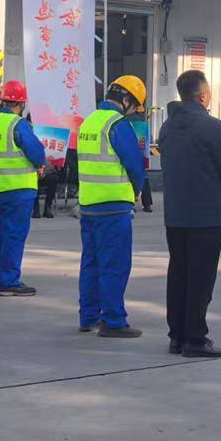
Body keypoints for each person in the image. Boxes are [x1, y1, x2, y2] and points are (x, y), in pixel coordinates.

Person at [157, 69, 221, 358]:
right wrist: (217, 195)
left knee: (178, 273)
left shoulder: (167, 127)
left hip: (175, 215)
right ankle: (195, 338)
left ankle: (176, 336)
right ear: (202, 96)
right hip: (203, 214)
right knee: (200, 278)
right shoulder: (212, 126)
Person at [76, 75, 147, 338]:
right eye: (134, 107)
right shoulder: (117, 124)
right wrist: (137, 190)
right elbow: (135, 165)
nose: (133, 112)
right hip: (114, 205)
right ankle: (114, 321)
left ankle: (88, 317)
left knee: (91, 263)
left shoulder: (89, 121)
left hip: (88, 204)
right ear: (126, 100)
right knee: (114, 265)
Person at [0, 80, 46, 296]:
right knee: (14, 235)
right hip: (20, 189)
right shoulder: (18, 125)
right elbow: (36, 152)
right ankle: (9, 281)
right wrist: (41, 164)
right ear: (21, 103)